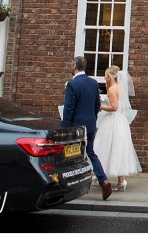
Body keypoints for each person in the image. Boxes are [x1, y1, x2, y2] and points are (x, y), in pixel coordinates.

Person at [62, 55, 112, 200]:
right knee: (90, 152)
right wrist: (93, 119)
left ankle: (67, 186)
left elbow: (68, 109)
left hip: (76, 127)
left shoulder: (72, 84)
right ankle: (104, 181)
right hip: (90, 125)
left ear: (74, 67)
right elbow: (97, 105)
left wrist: (65, 127)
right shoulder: (93, 83)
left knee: (68, 156)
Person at [94, 65, 142, 191]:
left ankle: (98, 174)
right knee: (118, 148)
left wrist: (100, 106)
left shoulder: (111, 90)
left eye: (105, 75)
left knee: (104, 146)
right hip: (121, 120)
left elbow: (114, 107)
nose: (104, 77)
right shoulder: (119, 88)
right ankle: (121, 180)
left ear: (110, 76)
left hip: (113, 121)